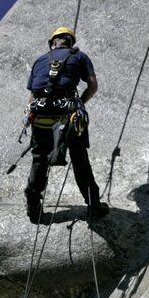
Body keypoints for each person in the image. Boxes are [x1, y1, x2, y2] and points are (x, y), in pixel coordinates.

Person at [25, 26, 109, 223]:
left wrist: (33, 112)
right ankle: (94, 205)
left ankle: (33, 205)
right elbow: (93, 86)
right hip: (68, 115)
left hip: (41, 115)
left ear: (53, 42)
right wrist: (80, 103)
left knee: (39, 158)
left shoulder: (40, 60)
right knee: (79, 158)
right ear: (70, 42)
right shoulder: (79, 56)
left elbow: (32, 96)